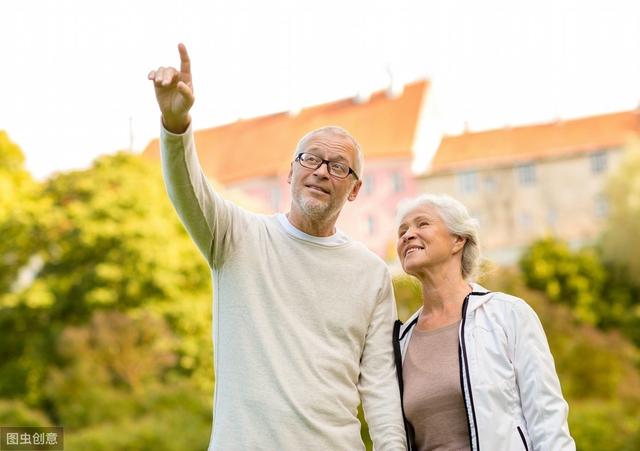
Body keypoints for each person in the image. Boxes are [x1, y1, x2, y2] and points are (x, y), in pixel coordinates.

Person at [148, 43, 406, 451]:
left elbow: (380, 384)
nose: (321, 171)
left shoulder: (371, 273)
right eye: (310, 159)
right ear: (290, 172)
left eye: (338, 166)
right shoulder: (236, 238)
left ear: (355, 190)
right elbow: (187, 191)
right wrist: (176, 123)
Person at [392, 193, 575, 451]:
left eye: (422, 224)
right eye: (403, 230)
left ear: (458, 240)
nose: (408, 235)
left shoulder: (508, 314)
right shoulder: (401, 341)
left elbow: (548, 419)